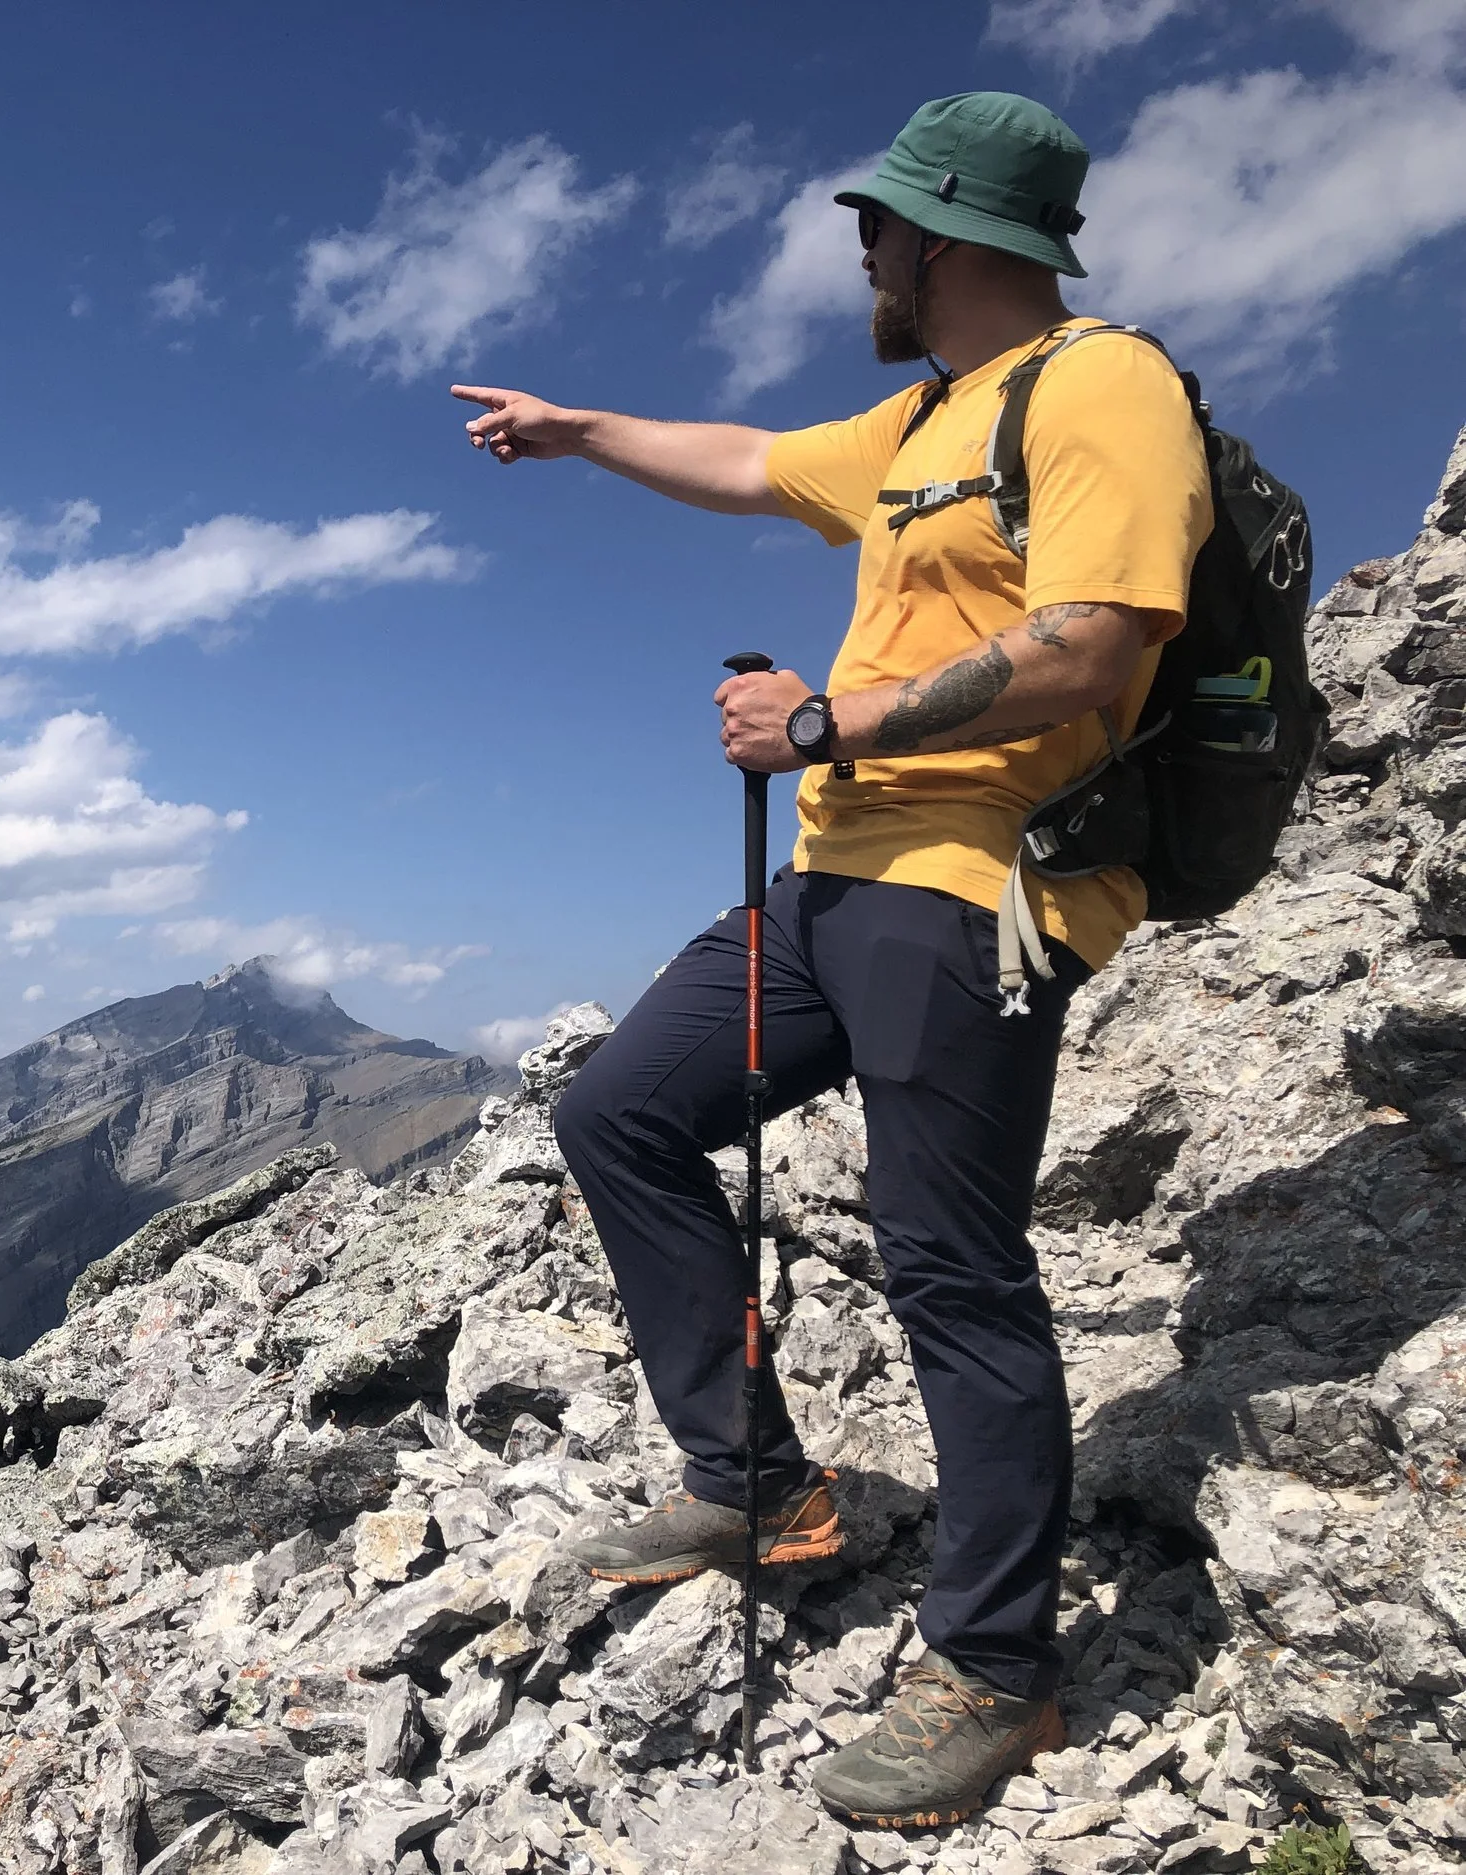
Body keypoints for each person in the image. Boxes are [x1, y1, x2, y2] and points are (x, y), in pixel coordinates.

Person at [452, 91, 1211, 1828]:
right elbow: (745, 459)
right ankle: (757, 1483)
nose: (860, 249)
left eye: (879, 224)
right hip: (829, 888)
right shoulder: (926, 417)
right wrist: (576, 433)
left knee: (950, 1264)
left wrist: (827, 713)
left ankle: (999, 1663)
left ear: (947, 234)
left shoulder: (1103, 386)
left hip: (975, 894)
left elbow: (1097, 643)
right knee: (624, 1114)